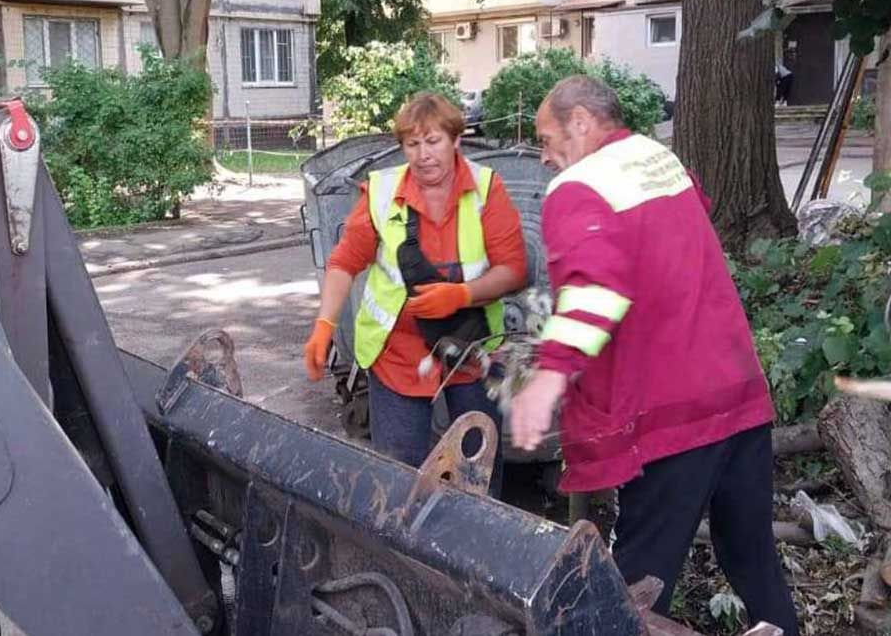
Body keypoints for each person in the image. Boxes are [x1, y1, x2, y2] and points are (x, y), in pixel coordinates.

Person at [510, 75, 798, 635]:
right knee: (752, 557)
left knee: (635, 584)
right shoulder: (657, 159)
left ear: (580, 122)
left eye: (546, 140)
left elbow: (595, 290)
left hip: (670, 415)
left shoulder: (579, 187)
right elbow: (675, 236)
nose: (544, 157)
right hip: (737, 391)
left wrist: (548, 379)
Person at [303, 93, 527, 497]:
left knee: (477, 467)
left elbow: (514, 270)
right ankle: (404, 533)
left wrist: (460, 295)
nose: (423, 155)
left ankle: (476, 529)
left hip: (471, 345)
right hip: (400, 352)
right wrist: (324, 324)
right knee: (398, 472)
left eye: (434, 141)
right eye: (412, 144)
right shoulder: (381, 192)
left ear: (456, 140)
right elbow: (344, 262)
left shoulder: (486, 189)